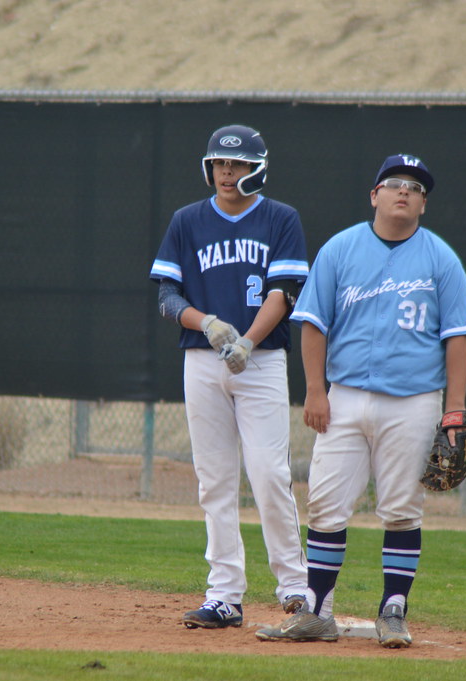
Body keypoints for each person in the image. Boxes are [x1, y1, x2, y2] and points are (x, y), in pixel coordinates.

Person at [255, 153, 466, 648]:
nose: (405, 191)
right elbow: (313, 323)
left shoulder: (441, 258)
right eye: (395, 183)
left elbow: (458, 337)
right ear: (374, 195)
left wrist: (454, 408)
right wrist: (315, 390)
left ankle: (393, 610)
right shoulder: (340, 249)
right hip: (345, 397)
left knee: (402, 508)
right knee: (326, 504)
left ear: (423, 204)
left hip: (414, 401)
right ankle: (317, 611)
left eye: (416, 187)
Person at [149, 124, 310, 630]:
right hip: (201, 359)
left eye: (236, 165)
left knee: (268, 473)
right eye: (220, 163)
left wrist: (248, 341)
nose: (226, 172)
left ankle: (295, 588)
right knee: (214, 481)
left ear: (256, 168)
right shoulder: (187, 221)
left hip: (259, 363)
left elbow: (284, 292)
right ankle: (224, 595)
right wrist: (209, 325)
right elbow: (167, 298)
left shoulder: (280, 218)